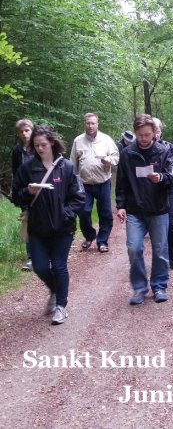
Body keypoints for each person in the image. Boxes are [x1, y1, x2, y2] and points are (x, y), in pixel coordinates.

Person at [12, 125, 85, 324]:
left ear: (52, 142)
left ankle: (61, 305)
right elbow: (16, 197)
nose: (40, 149)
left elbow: (79, 198)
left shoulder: (67, 167)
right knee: (40, 266)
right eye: (36, 146)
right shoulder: (27, 168)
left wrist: (65, 214)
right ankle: (55, 289)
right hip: (37, 228)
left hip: (63, 228)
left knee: (59, 265)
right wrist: (28, 193)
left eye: (43, 144)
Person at [116, 114, 173, 305]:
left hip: (158, 209)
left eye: (147, 134)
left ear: (154, 133)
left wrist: (160, 178)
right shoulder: (127, 154)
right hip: (135, 210)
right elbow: (121, 182)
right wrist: (120, 205)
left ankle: (159, 286)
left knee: (160, 249)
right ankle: (139, 288)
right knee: (134, 248)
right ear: (135, 133)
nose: (143, 138)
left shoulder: (163, 151)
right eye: (140, 135)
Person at [70, 112, 119, 253]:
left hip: (103, 182)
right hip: (84, 184)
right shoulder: (78, 141)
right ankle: (89, 236)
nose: (90, 126)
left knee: (105, 213)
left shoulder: (106, 139)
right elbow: (73, 163)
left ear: (98, 124)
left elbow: (116, 156)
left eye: (93, 123)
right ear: (84, 124)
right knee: (83, 211)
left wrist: (110, 160)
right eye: (88, 123)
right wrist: (72, 182)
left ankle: (102, 241)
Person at [153, 117, 173, 270]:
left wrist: (171, 169)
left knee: (172, 223)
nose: (155, 134)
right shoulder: (143, 149)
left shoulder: (169, 147)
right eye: (152, 131)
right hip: (151, 191)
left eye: (157, 131)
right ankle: (158, 259)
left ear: (160, 131)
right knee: (155, 226)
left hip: (170, 188)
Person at [12, 119, 34, 271]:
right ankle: (31, 257)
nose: (25, 134)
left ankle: (47, 254)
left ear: (32, 130)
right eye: (22, 131)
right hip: (25, 191)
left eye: (27, 130)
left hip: (41, 188)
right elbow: (16, 172)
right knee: (27, 222)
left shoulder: (38, 146)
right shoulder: (16, 150)